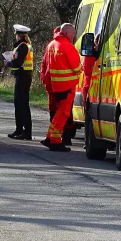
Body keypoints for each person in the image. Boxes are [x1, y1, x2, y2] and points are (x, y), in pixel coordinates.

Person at [41, 23, 81, 152]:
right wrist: (81, 69)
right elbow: (76, 68)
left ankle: (50, 137)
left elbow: (44, 64)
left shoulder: (51, 45)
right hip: (67, 85)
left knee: (58, 113)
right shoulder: (67, 46)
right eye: (73, 34)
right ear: (68, 33)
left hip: (55, 85)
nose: (74, 36)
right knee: (63, 113)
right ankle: (55, 140)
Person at [5, 24, 34, 140]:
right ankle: (19, 130)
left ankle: (26, 132)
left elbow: (17, 62)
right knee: (19, 104)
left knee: (22, 104)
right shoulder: (23, 45)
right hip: (23, 76)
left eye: (16, 34)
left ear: (19, 35)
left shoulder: (23, 46)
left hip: (23, 76)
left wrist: (8, 63)